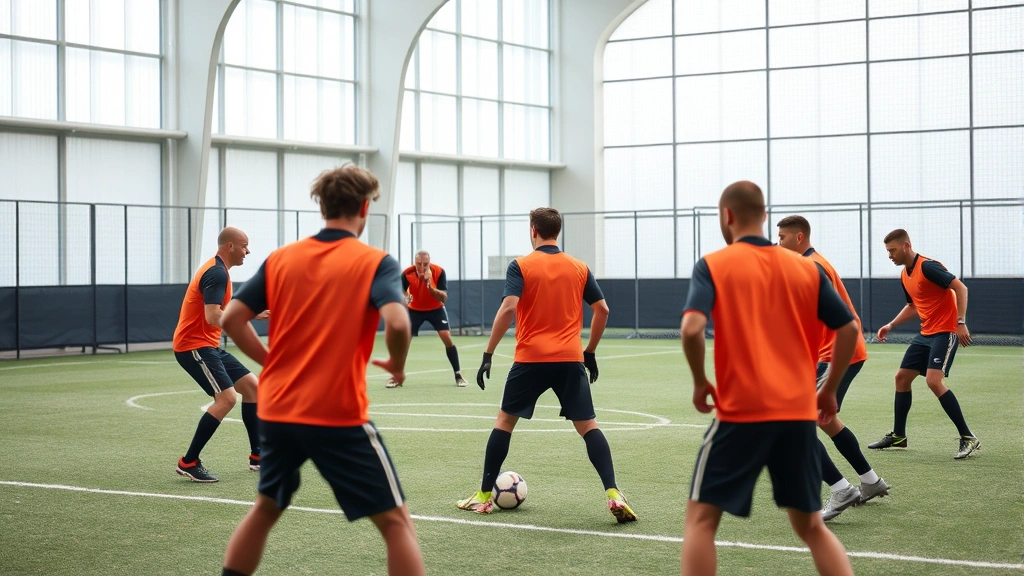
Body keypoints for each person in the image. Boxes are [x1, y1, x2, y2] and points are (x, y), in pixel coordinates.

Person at [219, 164, 424, 576]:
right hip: (336, 413)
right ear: (364, 207)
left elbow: (230, 320)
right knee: (396, 523)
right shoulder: (376, 262)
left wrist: (271, 362)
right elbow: (399, 323)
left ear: (323, 206)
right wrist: (398, 364)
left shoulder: (282, 259)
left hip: (277, 410)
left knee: (265, 509)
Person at [680, 182, 858, 576]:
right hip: (796, 416)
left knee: (701, 522)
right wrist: (828, 389)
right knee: (810, 526)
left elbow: (692, 329)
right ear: (763, 215)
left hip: (741, 413)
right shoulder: (806, 268)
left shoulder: (713, 264)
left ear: (727, 216)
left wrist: (699, 381)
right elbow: (848, 329)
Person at [455, 207, 637, 523]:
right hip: (569, 359)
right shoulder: (579, 267)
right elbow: (603, 310)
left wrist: (488, 353)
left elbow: (509, 307)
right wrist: (589, 351)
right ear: (558, 230)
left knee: (504, 423)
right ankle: (613, 493)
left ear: (532, 230)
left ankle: (483, 498)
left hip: (530, 360)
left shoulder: (521, 266)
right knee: (588, 427)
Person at [777, 215, 889, 521]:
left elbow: (840, 322)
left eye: (782, 238)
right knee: (826, 422)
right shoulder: (809, 266)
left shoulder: (812, 268)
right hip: (835, 354)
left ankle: (841, 489)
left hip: (839, 354)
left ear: (799, 238)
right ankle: (870, 482)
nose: (778, 244)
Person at [869, 229, 979, 460]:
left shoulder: (928, 267)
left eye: (892, 250)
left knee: (933, 381)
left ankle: (968, 437)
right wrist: (891, 325)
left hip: (945, 332)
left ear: (906, 246)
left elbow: (960, 288)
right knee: (901, 378)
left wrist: (960, 322)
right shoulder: (904, 275)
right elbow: (913, 306)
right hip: (926, 333)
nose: (889, 255)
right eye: (887, 251)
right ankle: (899, 435)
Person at [172, 226, 267, 483]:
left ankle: (258, 456)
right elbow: (213, 316)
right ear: (231, 246)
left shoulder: (219, 270)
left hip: (207, 345)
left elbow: (221, 309)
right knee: (226, 399)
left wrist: (251, 313)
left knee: (253, 388)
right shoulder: (216, 272)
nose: (248, 251)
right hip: (193, 346)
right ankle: (189, 461)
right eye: (245, 246)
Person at [390, 251, 468, 388]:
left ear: (429, 262)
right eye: (419, 264)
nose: (422, 267)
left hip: (436, 308)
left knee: (446, 336)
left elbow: (443, 297)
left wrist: (429, 285)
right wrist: (405, 297)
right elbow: (401, 292)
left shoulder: (438, 272)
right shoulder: (407, 273)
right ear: (415, 263)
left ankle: (458, 375)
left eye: (425, 264)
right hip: (415, 310)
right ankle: (397, 377)